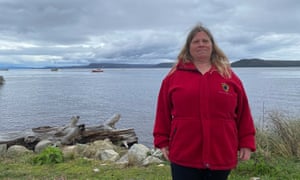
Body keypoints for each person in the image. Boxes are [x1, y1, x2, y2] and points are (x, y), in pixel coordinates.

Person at [153, 24, 256, 180]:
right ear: (189, 47)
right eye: (196, 41)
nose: (201, 44)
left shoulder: (228, 76)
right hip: (184, 152)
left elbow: (243, 113)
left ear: (212, 46)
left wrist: (246, 142)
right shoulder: (173, 77)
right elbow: (163, 112)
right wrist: (161, 141)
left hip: (221, 152)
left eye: (205, 41)